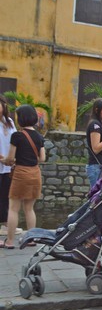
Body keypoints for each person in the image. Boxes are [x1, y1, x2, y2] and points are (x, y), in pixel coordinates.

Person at [0, 105, 46, 249]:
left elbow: (10, 158)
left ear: (20, 119)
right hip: (35, 173)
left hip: (20, 174)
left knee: (13, 209)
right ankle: (31, 239)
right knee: (29, 209)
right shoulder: (39, 136)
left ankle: (9, 241)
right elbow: (42, 158)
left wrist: (3, 160)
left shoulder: (17, 136)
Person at [0, 95, 22, 237]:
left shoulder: (9, 122)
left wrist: (12, 158)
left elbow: (15, 141)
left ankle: (5, 223)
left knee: (6, 195)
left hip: (8, 165)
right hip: (2, 161)